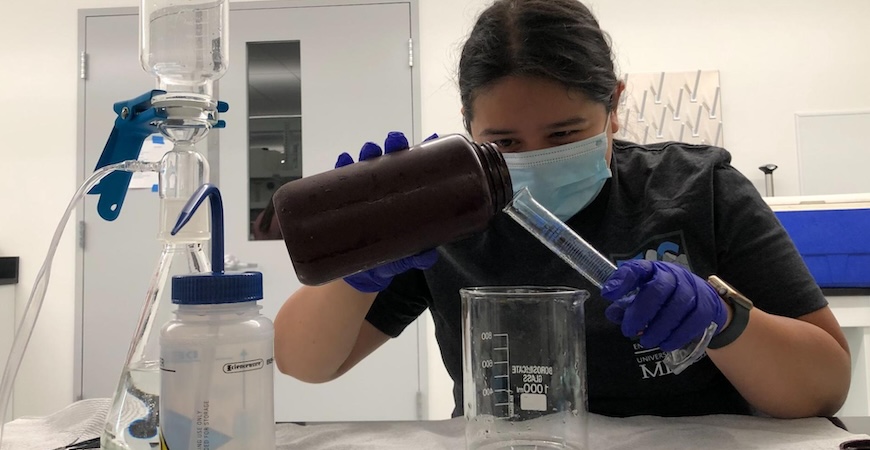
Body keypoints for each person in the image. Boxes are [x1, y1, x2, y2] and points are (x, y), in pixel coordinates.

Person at [273, 0, 850, 419]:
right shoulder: (441, 212)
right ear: (468, 126)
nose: (535, 159)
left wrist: (726, 324)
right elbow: (305, 362)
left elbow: (825, 389)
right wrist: (359, 265)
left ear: (614, 105)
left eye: (564, 133)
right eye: (504, 143)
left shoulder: (698, 188)